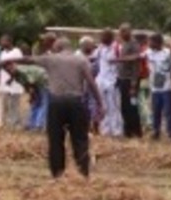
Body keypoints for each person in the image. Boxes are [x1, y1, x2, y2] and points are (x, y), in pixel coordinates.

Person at [6, 39, 100, 178]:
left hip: (57, 102)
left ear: (59, 47)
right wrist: (100, 103)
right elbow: (91, 82)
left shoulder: (51, 59)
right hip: (75, 102)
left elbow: (28, 60)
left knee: (55, 139)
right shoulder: (81, 60)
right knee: (80, 139)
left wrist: (8, 61)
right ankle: (83, 172)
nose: (53, 49)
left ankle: (57, 173)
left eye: (55, 47)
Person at [143, 33, 171, 141]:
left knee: (168, 112)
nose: (149, 43)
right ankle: (156, 132)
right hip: (154, 87)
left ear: (157, 42)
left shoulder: (168, 53)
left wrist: (169, 77)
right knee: (155, 111)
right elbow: (137, 57)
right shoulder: (148, 53)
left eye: (151, 41)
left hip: (166, 88)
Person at [0, 36, 24, 129]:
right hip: (4, 81)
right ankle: (9, 122)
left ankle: (16, 123)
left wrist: (12, 78)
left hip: (14, 81)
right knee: (6, 103)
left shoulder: (17, 52)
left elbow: (19, 66)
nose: (1, 43)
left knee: (14, 103)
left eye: (2, 41)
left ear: (9, 41)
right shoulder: (2, 53)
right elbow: (0, 66)